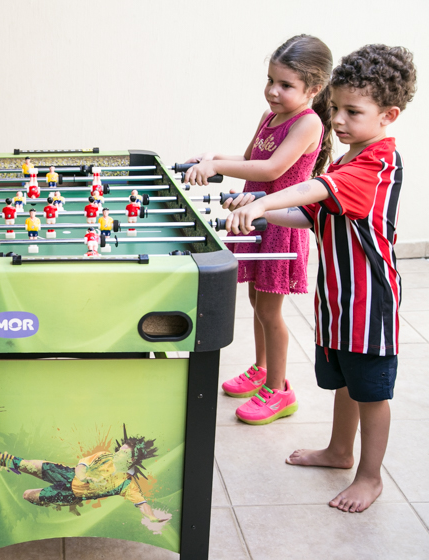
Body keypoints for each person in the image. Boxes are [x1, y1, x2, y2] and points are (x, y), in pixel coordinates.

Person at [225, 44, 416, 512]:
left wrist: (264, 201)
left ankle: (369, 478)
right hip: (337, 298)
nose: (340, 120)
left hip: (368, 302)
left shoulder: (377, 163)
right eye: (336, 109)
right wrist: (262, 216)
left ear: (388, 115)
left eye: (354, 111)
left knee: (370, 393)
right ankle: (338, 451)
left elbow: (315, 189)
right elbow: (311, 214)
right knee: (346, 383)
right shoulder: (349, 158)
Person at [184, 35, 334, 425]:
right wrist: (212, 156)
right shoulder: (270, 117)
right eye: (270, 80)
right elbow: (251, 158)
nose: (272, 91)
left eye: (285, 85)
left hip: (278, 226)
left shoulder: (308, 123)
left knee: (270, 311)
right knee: (256, 302)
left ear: (313, 89)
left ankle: (279, 390)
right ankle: (262, 368)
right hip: (254, 222)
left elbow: (271, 171)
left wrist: (218, 168)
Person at [0, 425, 164, 523]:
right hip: (66, 474)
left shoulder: (126, 485)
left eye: (123, 453)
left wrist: (154, 518)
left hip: (70, 494)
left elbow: (142, 504)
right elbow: (81, 466)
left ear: (131, 460)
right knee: (25, 464)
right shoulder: (105, 456)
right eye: (119, 449)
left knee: (27, 495)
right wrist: (83, 477)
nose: (118, 453)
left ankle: (53, 507)